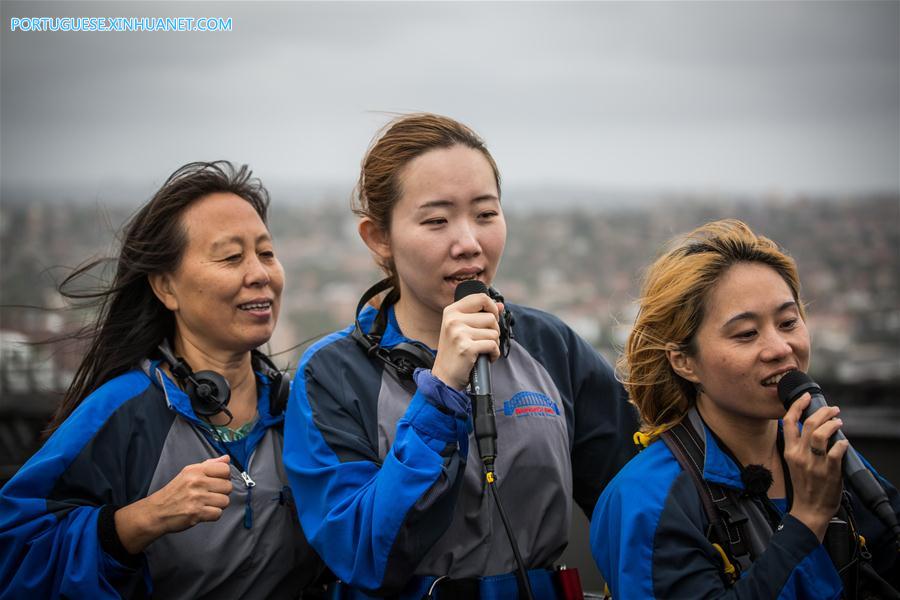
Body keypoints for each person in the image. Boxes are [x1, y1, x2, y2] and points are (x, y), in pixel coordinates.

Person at [283, 113, 637, 599]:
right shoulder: (332, 374)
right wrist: (441, 389)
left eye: (486, 214)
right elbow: (364, 553)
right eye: (436, 220)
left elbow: (634, 502)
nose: (469, 242)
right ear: (378, 238)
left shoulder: (548, 345)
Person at [0, 161, 324, 599]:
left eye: (266, 253)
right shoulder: (120, 410)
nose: (260, 274)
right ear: (166, 287)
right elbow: (15, 553)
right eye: (231, 257)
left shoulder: (303, 409)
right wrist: (138, 522)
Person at [590, 219, 900, 599]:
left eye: (788, 322)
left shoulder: (825, 455)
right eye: (746, 334)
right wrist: (808, 519)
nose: (780, 348)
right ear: (684, 361)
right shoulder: (646, 499)